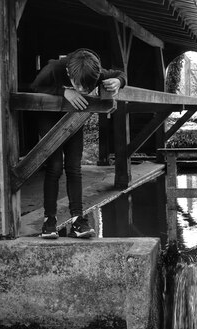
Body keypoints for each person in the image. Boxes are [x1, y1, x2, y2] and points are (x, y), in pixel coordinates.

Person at [30, 48, 126, 239]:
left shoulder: (93, 71)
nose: (82, 90)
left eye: (87, 87)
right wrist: (64, 92)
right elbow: (33, 87)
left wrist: (119, 81)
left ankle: (77, 220)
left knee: (74, 167)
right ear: (68, 74)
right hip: (48, 118)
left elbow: (119, 74)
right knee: (55, 167)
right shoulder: (54, 69)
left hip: (74, 118)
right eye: (79, 86)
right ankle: (49, 220)